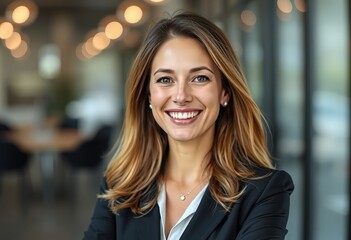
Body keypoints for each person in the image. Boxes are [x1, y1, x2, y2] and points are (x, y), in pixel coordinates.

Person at [83, 12, 294, 240]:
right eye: (165, 80)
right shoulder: (120, 183)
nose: (181, 96)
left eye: (200, 78)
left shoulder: (265, 192)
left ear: (224, 91)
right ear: (149, 95)